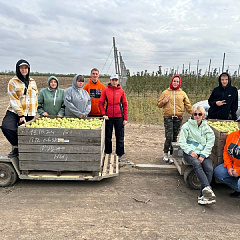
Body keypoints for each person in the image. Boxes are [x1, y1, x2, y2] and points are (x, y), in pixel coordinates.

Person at [179, 106, 216, 205]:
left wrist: (203, 155)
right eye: (195, 114)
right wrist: (190, 151)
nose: (197, 116)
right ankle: (208, 189)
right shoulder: (186, 126)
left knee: (209, 168)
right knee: (196, 163)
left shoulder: (207, 128)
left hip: (202, 153)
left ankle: (202, 196)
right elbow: (182, 142)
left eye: (199, 114)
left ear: (203, 116)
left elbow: (210, 142)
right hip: (190, 153)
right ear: (192, 115)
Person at [1, 59, 38, 157]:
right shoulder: (13, 82)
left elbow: (35, 97)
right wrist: (20, 114)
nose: (24, 70)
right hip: (14, 111)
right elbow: (14, 99)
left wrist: (34, 112)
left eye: (26, 68)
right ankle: (17, 147)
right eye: (22, 68)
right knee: (6, 127)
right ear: (18, 69)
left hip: (29, 112)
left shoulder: (32, 81)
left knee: (26, 133)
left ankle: (26, 152)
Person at [157, 74, 192, 164]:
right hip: (168, 117)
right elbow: (159, 104)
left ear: (179, 83)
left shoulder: (183, 93)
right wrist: (163, 101)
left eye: (177, 81)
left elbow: (188, 105)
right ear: (171, 81)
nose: (175, 83)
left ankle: (172, 155)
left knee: (174, 137)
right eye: (174, 81)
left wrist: (194, 114)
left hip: (178, 117)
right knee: (169, 136)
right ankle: (165, 153)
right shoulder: (165, 92)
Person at [98, 74, 128, 158]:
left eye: (116, 80)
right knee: (108, 136)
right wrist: (103, 114)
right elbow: (100, 103)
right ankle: (108, 153)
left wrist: (125, 118)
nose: (114, 82)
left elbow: (125, 105)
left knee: (120, 136)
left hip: (119, 117)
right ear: (110, 81)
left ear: (118, 81)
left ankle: (119, 154)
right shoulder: (106, 91)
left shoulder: (121, 91)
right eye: (113, 80)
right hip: (109, 117)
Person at [214, 116, 240, 197]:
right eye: (239, 122)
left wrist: (238, 171)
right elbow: (226, 152)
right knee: (219, 172)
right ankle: (238, 188)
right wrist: (229, 167)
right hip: (233, 166)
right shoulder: (232, 135)